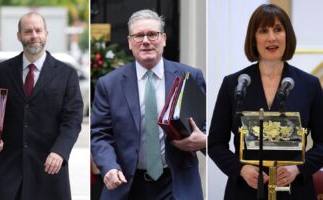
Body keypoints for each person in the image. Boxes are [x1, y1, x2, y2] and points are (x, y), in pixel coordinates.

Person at [208, 4, 323, 200]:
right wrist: (240, 169)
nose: (271, 37)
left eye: (278, 29)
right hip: (245, 190)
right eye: (263, 31)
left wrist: (297, 169)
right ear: (254, 38)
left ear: (287, 36)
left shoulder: (310, 84)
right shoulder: (233, 84)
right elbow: (215, 143)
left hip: (295, 191)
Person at [91, 9, 206, 200]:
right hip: (128, 185)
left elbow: (207, 123)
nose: (145, 41)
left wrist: (204, 140)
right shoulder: (109, 84)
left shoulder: (190, 76)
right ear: (129, 42)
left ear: (164, 39)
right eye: (138, 36)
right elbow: (100, 134)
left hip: (177, 184)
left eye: (152, 34)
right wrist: (109, 166)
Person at [0, 12, 83, 200]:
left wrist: (60, 151)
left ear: (46, 34)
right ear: (19, 36)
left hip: (50, 168)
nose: (34, 35)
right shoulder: (2, 71)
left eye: (38, 30)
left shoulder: (66, 74)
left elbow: (73, 119)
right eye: (28, 31)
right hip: (10, 171)